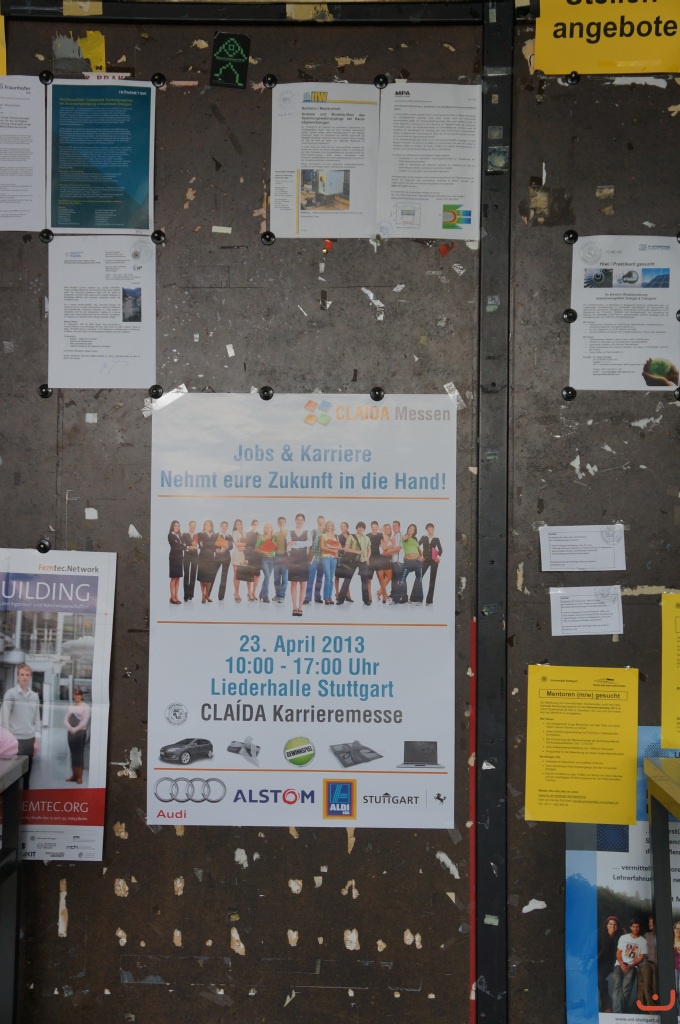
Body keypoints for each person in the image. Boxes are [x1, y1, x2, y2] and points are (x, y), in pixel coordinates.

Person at [1, 663, 40, 788]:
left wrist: (36, 740)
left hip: (29, 739)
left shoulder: (34, 696)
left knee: (27, 775)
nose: (24, 677)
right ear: (18, 676)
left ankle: (26, 799)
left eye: (27, 675)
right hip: (15, 740)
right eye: (22, 674)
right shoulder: (10, 694)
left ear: (30, 677)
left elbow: (37, 719)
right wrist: (8, 740)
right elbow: (4, 717)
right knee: (13, 777)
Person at [612, 918, 647, 1012]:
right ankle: (617, 1012)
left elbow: (641, 957)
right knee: (617, 986)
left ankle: (622, 1011)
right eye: (633, 926)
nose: (635, 929)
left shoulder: (643, 941)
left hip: (632, 966)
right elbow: (618, 952)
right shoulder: (623, 938)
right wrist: (621, 963)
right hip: (619, 965)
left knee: (626, 989)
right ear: (630, 927)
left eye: (637, 927)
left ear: (639, 928)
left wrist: (631, 965)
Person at [337, 522, 371, 606]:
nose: (360, 529)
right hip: (353, 560)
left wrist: (367, 558)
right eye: (359, 527)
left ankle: (366, 600)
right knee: (347, 579)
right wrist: (356, 552)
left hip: (363, 561)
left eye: (362, 527)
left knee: (364, 581)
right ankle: (340, 600)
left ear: (364, 529)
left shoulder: (367, 538)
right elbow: (346, 548)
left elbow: (369, 550)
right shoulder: (351, 536)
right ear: (356, 528)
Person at [64, 686, 90, 785]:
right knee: (73, 754)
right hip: (71, 733)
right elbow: (66, 719)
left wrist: (75, 729)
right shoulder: (71, 707)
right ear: (73, 696)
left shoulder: (85, 707)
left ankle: (79, 777)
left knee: (79, 754)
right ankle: (74, 775)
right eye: (75, 695)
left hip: (80, 733)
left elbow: (84, 721)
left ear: (82, 696)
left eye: (79, 695)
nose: (77, 696)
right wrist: (70, 728)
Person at [598, 915, 622, 1012]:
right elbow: (589, 947)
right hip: (595, 961)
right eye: (610, 924)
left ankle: (607, 1007)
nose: (612, 926)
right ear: (606, 925)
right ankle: (605, 1006)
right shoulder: (599, 934)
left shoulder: (619, 937)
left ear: (617, 926)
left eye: (615, 924)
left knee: (600, 979)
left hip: (608, 963)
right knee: (597, 982)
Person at [395, 523, 424, 605]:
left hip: (417, 562)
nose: (411, 530)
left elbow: (419, 549)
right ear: (408, 529)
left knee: (419, 580)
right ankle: (396, 599)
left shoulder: (415, 540)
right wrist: (408, 534)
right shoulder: (404, 537)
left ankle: (419, 600)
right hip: (408, 562)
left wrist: (422, 556)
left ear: (415, 531)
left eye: (413, 529)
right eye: (410, 528)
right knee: (402, 580)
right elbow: (404, 538)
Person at [288, 513, 309, 616]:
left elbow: (309, 543)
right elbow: (289, 544)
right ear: (295, 520)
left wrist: (295, 543)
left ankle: (300, 607)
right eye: (298, 519)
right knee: (293, 583)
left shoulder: (307, 532)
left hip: (303, 558)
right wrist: (302, 543)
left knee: (303, 583)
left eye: (301, 520)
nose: (299, 521)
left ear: (303, 521)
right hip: (293, 558)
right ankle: (294, 607)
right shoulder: (290, 532)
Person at [304, 515, 326, 605]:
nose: (320, 523)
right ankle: (307, 598)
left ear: (324, 522)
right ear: (317, 522)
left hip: (323, 559)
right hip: (313, 559)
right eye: (319, 521)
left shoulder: (327, 532)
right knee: (310, 579)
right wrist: (307, 557)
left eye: (322, 521)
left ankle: (317, 597)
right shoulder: (313, 532)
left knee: (319, 579)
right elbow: (308, 545)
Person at [420, 522, 443, 605]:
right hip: (425, 559)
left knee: (432, 580)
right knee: (419, 577)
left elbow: (440, 550)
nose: (429, 529)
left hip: (434, 560)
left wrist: (438, 557)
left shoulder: (436, 538)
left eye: (430, 527)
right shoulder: (423, 537)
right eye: (428, 528)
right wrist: (420, 555)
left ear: (433, 528)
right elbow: (417, 546)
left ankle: (429, 601)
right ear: (426, 529)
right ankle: (414, 598)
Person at [376, 522, 398, 603]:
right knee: (389, 576)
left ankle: (383, 593)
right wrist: (392, 545)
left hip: (388, 559)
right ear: (384, 530)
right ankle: (380, 591)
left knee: (386, 577)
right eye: (387, 529)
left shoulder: (390, 537)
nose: (389, 530)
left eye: (389, 528)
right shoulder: (383, 537)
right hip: (384, 559)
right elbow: (384, 548)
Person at [197, 519, 218, 603]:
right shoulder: (200, 534)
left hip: (211, 558)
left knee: (209, 578)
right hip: (202, 558)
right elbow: (201, 545)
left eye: (209, 525)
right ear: (204, 526)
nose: (207, 526)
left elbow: (216, 546)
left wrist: (214, 548)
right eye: (206, 525)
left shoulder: (215, 535)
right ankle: (203, 595)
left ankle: (207, 595)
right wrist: (210, 545)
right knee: (202, 577)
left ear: (211, 526)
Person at [638, 915, 657, 1008]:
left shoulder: (664, 935)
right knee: (646, 985)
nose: (650, 924)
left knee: (655, 985)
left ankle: (658, 1006)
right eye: (649, 922)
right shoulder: (646, 935)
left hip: (659, 965)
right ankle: (651, 1009)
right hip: (648, 963)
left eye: (652, 922)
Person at [212, 520, 233, 601]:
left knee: (224, 577)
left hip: (226, 558)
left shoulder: (229, 536)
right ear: (220, 527)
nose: (224, 527)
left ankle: (221, 596)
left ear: (227, 527)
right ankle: (208, 594)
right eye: (223, 526)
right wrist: (216, 549)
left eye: (226, 526)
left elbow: (231, 546)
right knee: (212, 574)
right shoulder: (215, 535)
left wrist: (227, 547)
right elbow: (212, 545)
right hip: (217, 557)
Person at [320, 520, 340, 605]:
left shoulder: (336, 536)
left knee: (331, 577)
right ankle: (325, 598)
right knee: (327, 577)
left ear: (332, 527)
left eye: (330, 525)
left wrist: (336, 552)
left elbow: (339, 547)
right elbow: (322, 547)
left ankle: (330, 597)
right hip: (326, 558)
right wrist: (332, 550)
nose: (329, 527)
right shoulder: (323, 535)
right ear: (326, 527)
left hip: (333, 558)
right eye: (327, 525)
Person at [256, 522, 276, 602]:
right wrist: (263, 552)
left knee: (267, 577)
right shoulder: (261, 537)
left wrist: (275, 545)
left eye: (269, 527)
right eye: (266, 527)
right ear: (264, 529)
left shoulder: (274, 537)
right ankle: (265, 597)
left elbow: (276, 547)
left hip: (272, 559)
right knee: (267, 576)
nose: (268, 529)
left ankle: (261, 593)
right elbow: (256, 548)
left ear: (271, 529)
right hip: (264, 559)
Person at [244, 519, 261, 602]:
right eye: (254, 524)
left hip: (258, 556)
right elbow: (246, 546)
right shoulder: (248, 534)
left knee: (257, 575)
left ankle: (254, 592)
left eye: (257, 524)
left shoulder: (259, 535)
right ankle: (249, 592)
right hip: (250, 555)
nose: (255, 526)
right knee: (250, 575)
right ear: (251, 525)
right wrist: (246, 558)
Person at [335, 521, 353, 603]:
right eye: (341, 526)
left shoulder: (351, 536)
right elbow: (336, 547)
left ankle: (347, 594)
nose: (342, 528)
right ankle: (337, 593)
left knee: (347, 577)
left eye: (344, 526)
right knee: (337, 576)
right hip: (340, 557)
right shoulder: (338, 536)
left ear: (347, 527)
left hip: (349, 558)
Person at [181, 519, 199, 601]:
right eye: (191, 525)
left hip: (195, 555)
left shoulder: (197, 535)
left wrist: (195, 545)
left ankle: (191, 594)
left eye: (194, 526)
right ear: (189, 526)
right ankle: (186, 595)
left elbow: (198, 545)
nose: (193, 527)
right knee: (186, 574)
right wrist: (191, 545)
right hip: (187, 555)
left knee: (193, 574)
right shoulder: (184, 534)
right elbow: (183, 544)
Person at [365, 521, 383, 603]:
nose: (374, 528)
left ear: (377, 527)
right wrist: (367, 559)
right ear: (371, 527)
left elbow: (385, 542)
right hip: (370, 558)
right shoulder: (367, 535)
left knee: (381, 577)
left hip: (378, 558)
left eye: (376, 527)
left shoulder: (380, 535)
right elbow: (366, 548)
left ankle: (381, 593)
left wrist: (382, 530)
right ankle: (369, 596)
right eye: (373, 527)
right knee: (369, 579)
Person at [168, 520, 185, 604]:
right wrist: (185, 546)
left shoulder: (179, 535)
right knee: (173, 578)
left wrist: (183, 545)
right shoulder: (170, 535)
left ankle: (176, 596)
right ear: (172, 526)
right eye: (175, 526)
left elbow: (183, 543)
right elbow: (176, 546)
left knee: (178, 578)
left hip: (179, 558)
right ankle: (172, 597)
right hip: (174, 558)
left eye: (178, 526)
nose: (177, 527)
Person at [273, 516, 289, 603]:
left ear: (285, 523)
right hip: (277, 557)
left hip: (285, 557)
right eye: (280, 522)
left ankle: (282, 596)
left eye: (283, 522)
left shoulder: (288, 533)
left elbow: (292, 545)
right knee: (276, 578)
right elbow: (273, 546)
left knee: (285, 578)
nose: (281, 523)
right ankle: (277, 595)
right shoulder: (275, 534)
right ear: (278, 524)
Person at [231, 518, 246, 603]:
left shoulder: (245, 533)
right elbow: (237, 544)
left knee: (239, 575)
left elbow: (247, 545)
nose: (239, 525)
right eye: (237, 524)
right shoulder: (234, 533)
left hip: (243, 555)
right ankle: (236, 593)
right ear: (235, 526)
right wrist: (245, 544)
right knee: (236, 574)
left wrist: (243, 545)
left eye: (240, 524)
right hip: (236, 555)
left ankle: (236, 591)